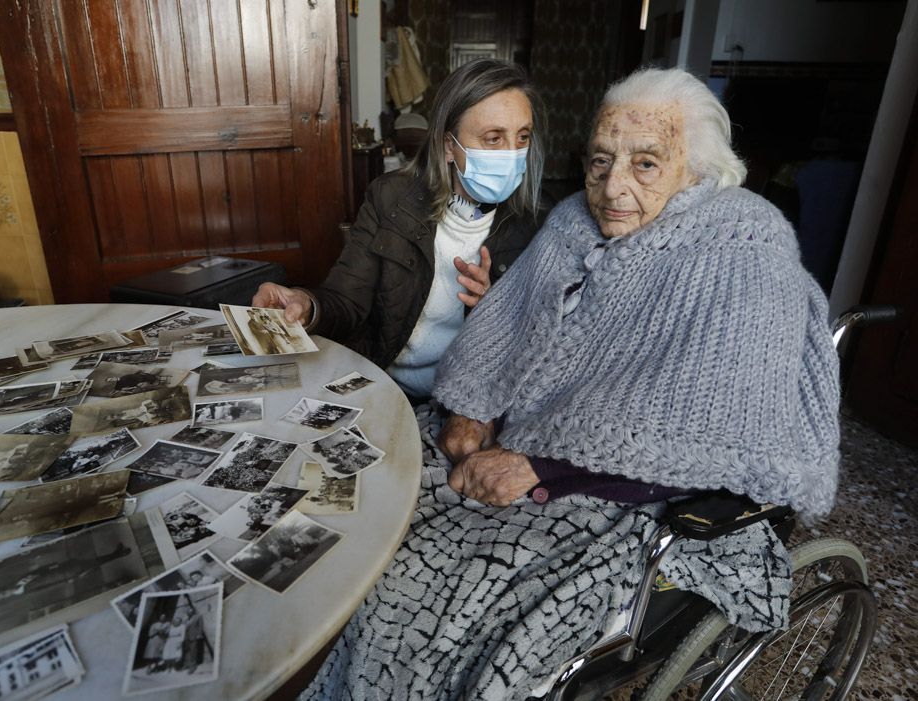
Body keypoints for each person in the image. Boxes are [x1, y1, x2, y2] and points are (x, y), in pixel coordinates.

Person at [301, 68, 840, 700]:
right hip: (519, 436)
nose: (612, 188)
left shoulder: (743, 244)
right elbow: (504, 328)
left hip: (620, 489)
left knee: (424, 589)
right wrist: (470, 409)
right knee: (357, 504)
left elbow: (722, 431)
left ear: (694, 169)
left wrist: (546, 472)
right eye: (601, 161)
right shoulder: (569, 221)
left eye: (645, 164)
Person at [253, 58, 550, 398]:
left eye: (522, 137)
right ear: (448, 145)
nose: (511, 154)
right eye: (493, 138)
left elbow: (541, 349)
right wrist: (305, 304)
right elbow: (346, 300)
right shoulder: (391, 198)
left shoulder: (538, 225)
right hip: (385, 385)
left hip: (464, 398)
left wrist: (493, 310)